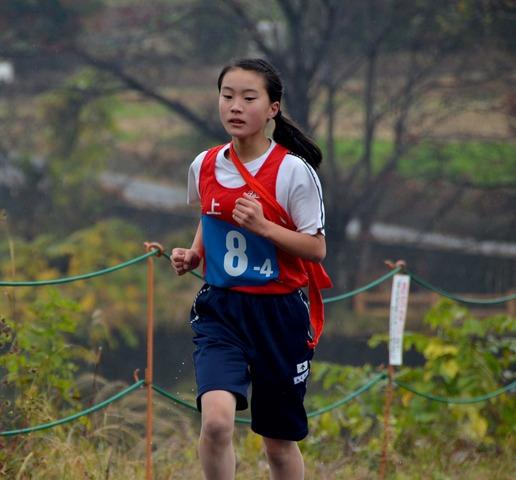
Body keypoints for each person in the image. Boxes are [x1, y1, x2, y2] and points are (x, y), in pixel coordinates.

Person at [171, 58, 331, 480]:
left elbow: (316, 249)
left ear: (273, 108)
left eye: (248, 97)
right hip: (222, 311)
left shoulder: (293, 172)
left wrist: (264, 227)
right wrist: (193, 255)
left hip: (279, 314)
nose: (235, 107)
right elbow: (211, 216)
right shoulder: (204, 164)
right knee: (217, 422)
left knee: (279, 445)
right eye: (227, 96)